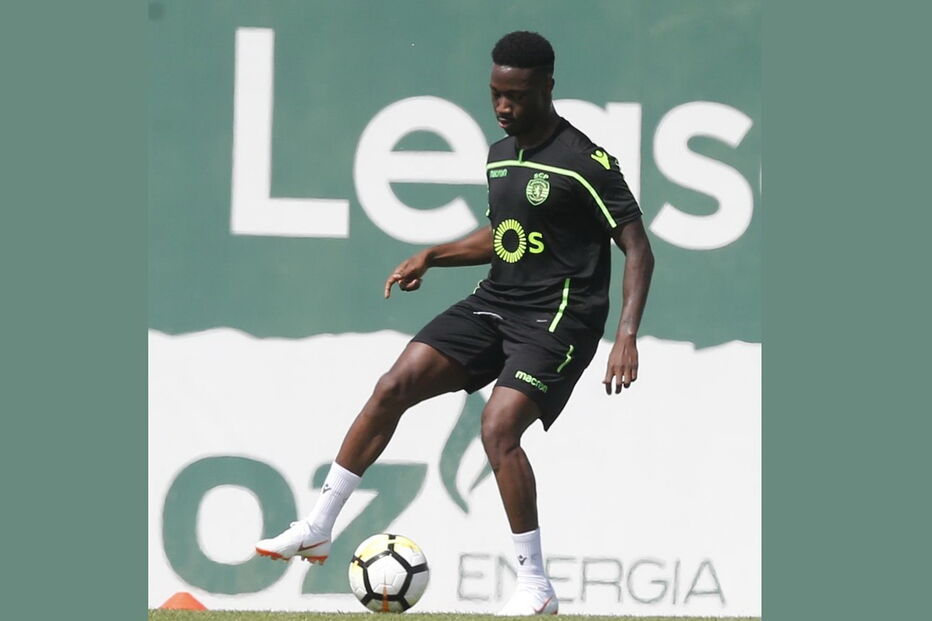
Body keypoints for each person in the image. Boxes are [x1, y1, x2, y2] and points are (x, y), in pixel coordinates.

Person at [256, 30, 654, 616]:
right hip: (497, 301)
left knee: (497, 427)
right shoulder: (499, 154)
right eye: (495, 93)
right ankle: (318, 525)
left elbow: (639, 248)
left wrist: (626, 335)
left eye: (515, 95)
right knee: (393, 385)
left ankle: (536, 586)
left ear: (546, 87)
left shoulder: (585, 163)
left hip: (560, 319)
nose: (502, 106)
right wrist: (435, 254)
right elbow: (505, 238)